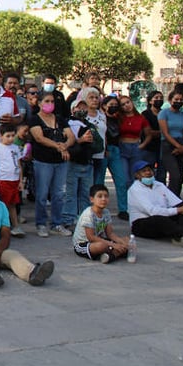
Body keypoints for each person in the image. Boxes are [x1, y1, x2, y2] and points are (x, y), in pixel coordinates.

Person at [29, 90, 75, 238]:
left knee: (59, 194)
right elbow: (39, 138)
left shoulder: (60, 119)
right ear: (40, 103)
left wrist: (65, 146)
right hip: (43, 161)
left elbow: (71, 137)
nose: (50, 104)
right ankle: (41, 223)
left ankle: (57, 223)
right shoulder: (34, 119)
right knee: (42, 194)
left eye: (52, 101)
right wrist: (59, 146)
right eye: (47, 101)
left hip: (61, 162)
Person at [128, 160, 183, 247]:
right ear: (137, 175)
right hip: (142, 224)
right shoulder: (135, 189)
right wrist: (179, 210)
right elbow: (152, 211)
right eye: (144, 171)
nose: (148, 173)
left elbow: (177, 202)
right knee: (159, 218)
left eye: (149, 170)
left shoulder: (159, 185)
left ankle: (180, 237)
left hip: (163, 218)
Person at [62, 99, 97, 229]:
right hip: (72, 162)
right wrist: (80, 140)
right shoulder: (67, 124)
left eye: (84, 107)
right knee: (70, 193)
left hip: (87, 162)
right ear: (73, 109)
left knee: (86, 193)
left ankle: (85, 219)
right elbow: (65, 143)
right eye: (79, 107)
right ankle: (68, 219)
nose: (82, 110)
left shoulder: (89, 125)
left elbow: (97, 144)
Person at [72, 184, 129, 263]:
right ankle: (114, 253)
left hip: (99, 240)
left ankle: (110, 256)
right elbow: (91, 237)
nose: (103, 199)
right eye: (100, 196)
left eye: (106, 196)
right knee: (102, 246)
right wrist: (113, 245)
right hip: (84, 244)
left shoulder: (106, 212)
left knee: (127, 241)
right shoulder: (88, 214)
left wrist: (123, 243)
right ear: (92, 199)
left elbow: (110, 234)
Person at [0, 123, 25, 237]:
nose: (10, 138)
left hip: (14, 180)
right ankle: (1, 227)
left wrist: (20, 181)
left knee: (12, 204)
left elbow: (19, 165)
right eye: (8, 136)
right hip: (3, 180)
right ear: (1, 135)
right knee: (2, 204)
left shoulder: (15, 148)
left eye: (12, 136)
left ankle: (15, 226)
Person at [118, 95, 151, 195]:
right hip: (122, 147)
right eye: (123, 104)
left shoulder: (141, 118)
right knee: (125, 178)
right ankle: (125, 200)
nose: (126, 105)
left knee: (134, 177)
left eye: (128, 102)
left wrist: (142, 145)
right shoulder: (119, 118)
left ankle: (133, 201)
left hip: (136, 147)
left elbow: (148, 135)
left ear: (132, 102)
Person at [158, 90, 183, 197]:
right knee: (174, 175)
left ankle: (177, 199)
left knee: (180, 178)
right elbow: (165, 133)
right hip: (168, 144)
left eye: (180, 100)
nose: (178, 102)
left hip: (182, 144)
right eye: (176, 99)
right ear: (170, 100)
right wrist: (177, 146)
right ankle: (170, 200)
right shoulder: (164, 113)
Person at [141, 90, 165, 183]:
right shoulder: (145, 114)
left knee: (162, 173)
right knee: (147, 172)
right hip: (148, 147)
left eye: (161, 98)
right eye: (156, 98)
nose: (159, 100)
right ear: (150, 101)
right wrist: (163, 133)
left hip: (162, 147)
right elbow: (148, 132)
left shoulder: (164, 113)